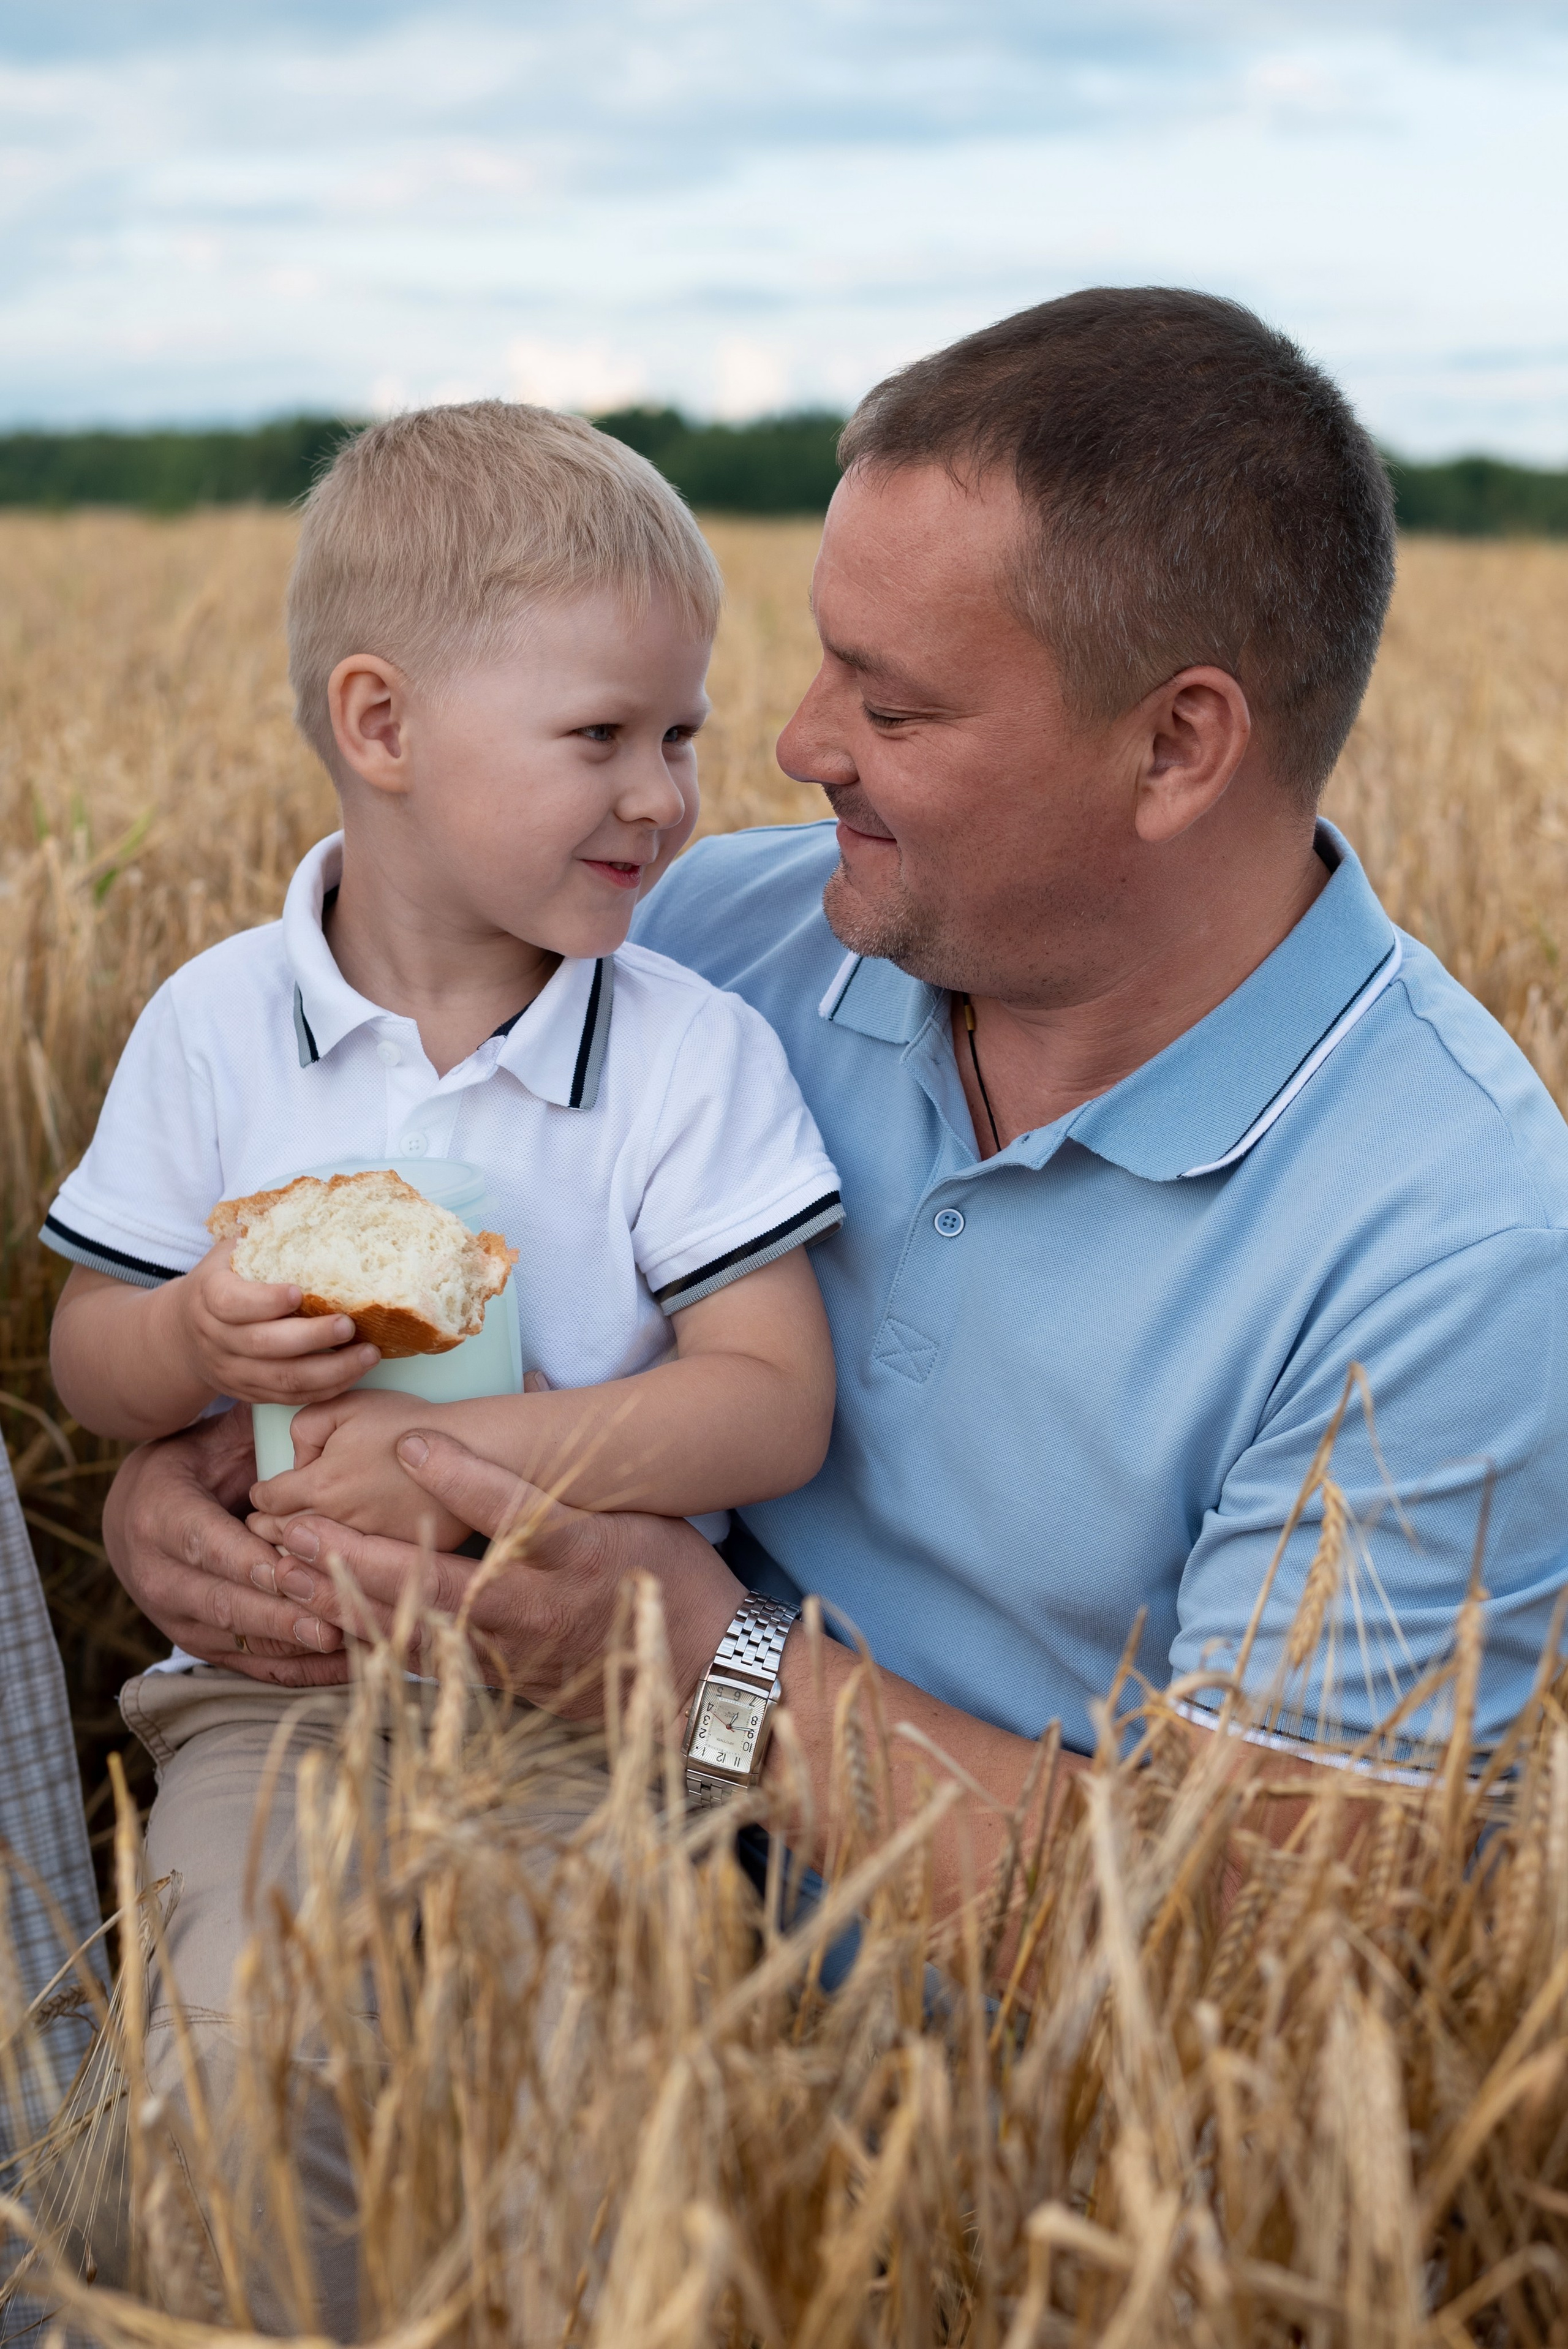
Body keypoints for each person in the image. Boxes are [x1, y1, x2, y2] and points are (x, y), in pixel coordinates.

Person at [101, 286, 1568, 2293]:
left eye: (892, 704)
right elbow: (321, 1114)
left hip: (981, 2188)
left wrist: (698, 1663)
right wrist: (183, 1483)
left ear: (1178, 746)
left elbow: (1274, 1950)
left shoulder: (1458, 1240)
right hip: (511, 1896)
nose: (788, 755)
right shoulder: (719, 945)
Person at [39, 400, 844, 2330]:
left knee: (597, 2096)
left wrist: (464, 1458)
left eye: (684, 737)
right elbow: (88, 1359)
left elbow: (772, 1397)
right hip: (278, 1691)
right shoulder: (220, 1025)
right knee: (235, 2061)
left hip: (624, 1724)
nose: (663, 796)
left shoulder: (687, 1050)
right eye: (603, 738)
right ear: (381, 726)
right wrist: (185, 1339)